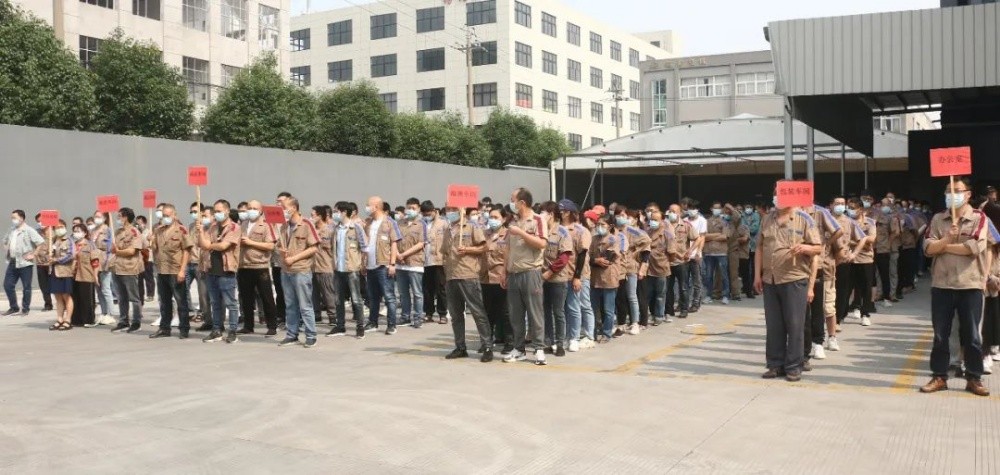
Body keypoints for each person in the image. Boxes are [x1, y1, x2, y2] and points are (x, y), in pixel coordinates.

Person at [920, 177, 993, 397]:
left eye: (957, 190)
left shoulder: (979, 218)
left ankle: (974, 377)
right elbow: (928, 248)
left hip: (969, 284)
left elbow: (974, 247)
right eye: (948, 191)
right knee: (940, 335)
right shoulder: (937, 218)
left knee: (972, 336)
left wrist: (943, 246)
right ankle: (939, 376)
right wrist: (947, 240)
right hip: (942, 284)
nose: (952, 195)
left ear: (968, 194)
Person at [755, 185, 823, 382]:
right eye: (775, 194)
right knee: (774, 324)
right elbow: (759, 247)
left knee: (795, 324)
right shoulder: (767, 218)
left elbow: (818, 248)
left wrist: (805, 248)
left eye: (781, 195)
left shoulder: (804, 218)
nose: (777, 198)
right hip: (770, 279)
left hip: (794, 278)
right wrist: (757, 276)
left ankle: (794, 366)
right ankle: (775, 364)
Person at [441, 206, 493, 362]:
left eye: (453, 209)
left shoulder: (471, 226)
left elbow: (484, 246)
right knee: (456, 315)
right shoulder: (448, 229)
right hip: (452, 276)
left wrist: (468, 249)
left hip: (468, 274)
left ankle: (487, 346)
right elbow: (445, 252)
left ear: (461, 210)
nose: (450, 212)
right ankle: (460, 347)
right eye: (448, 209)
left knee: (478, 312)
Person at [503, 187, 548, 365]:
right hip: (514, 273)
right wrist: (504, 271)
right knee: (516, 314)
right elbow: (507, 248)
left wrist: (521, 233)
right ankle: (519, 348)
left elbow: (542, 243)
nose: (511, 203)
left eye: (512, 199)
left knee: (535, 312)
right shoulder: (513, 221)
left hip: (531, 272)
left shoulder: (537, 220)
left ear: (522, 202)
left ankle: (539, 349)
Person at [278, 197, 320, 348]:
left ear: (294, 208)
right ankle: (292, 334)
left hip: (301, 270)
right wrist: (282, 252)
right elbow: (279, 245)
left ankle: (311, 335)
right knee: (290, 305)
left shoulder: (306, 224)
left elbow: (314, 247)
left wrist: (294, 258)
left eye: (284, 207)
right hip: (286, 270)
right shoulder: (284, 226)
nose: (282, 210)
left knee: (305, 305)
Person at [803, 204, 842, 363]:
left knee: (818, 306)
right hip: (796, 267)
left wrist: (825, 244)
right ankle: (802, 344)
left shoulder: (820, 213)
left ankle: (818, 342)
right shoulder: (790, 213)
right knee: (800, 310)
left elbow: (838, 231)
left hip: (818, 265)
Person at [198, 200, 242, 344]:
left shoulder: (234, 227)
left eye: (219, 211)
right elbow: (203, 244)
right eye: (215, 211)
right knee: (215, 302)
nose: (216, 214)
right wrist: (201, 232)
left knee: (230, 303)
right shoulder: (212, 227)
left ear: (227, 211)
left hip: (226, 270)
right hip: (211, 269)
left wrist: (210, 245)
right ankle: (217, 329)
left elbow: (224, 246)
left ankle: (233, 331)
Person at [148, 204, 193, 339]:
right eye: (164, 215)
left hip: (175, 270)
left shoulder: (181, 230)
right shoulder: (158, 230)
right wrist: (151, 241)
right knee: (164, 302)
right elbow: (155, 249)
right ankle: (164, 328)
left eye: (168, 215)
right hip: (162, 270)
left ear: (174, 215)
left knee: (181, 302)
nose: (165, 218)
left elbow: (186, 251)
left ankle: (184, 328)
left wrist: (182, 270)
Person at [237, 200, 279, 337]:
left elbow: (270, 245)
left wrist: (250, 242)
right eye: (249, 208)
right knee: (246, 298)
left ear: (261, 211)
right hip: (244, 265)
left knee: (266, 297)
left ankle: (272, 325)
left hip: (260, 266)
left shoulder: (266, 225)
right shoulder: (243, 224)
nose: (251, 211)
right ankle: (248, 325)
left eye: (255, 208)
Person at [363, 196, 402, 334]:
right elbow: (365, 244)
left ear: (376, 207)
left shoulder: (389, 222)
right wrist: (363, 263)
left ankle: (391, 324)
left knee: (389, 296)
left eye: (368, 205)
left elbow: (394, 243)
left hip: (383, 265)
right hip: (370, 265)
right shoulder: (368, 223)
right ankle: (373, 322)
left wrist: (392, 263)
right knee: (373, 297)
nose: (366, 208)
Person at [539, 201, 573, 356]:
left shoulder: (562, 232)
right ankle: (549, 342)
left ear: (551, 214)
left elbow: (564, 258)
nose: (540, 216)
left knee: (558, 312)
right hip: (541, 277)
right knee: (545, 311)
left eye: (543, 213)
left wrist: (549, 272)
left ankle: (560, 344)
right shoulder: (541, 231)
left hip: (557, 279)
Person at [328, 202, 367, 339]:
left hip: (352, 269)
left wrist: (362, 264)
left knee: (356, 299)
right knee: (338, 300)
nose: (334, 214)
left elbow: (364, 247)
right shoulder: (336, 228)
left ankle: (360, 327)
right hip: (338, 269)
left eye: (336, 211)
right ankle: (340, 326)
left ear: (344, 212)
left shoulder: (356, 228)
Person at [482, 205, 514, 355]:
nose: (493, 220)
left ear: (504, 219)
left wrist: (506, 274)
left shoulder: (508, 234)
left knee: (506, 312)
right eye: (491, 217)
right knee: (487, 313)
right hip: (485, 278)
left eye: (496, 217)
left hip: (502, 277)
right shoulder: (484, 233)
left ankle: (509, 342)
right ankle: (487, 342)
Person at [562, 200, 594, 351]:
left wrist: (577, 276)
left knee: (582, 305)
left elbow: (582, 254)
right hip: (562, 274)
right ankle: (569, 335)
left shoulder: (581, 231)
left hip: (579, 274)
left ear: (568, 212)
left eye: (562, 211)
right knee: (568, 307)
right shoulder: (558, 229)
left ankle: (586, 336)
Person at [110, 207, 147, 333]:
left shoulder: (134, 232)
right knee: (121, 297)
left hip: (129, 268)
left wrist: (117, 251)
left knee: (134, 297)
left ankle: (136, 322)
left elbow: (132, 251)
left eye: (119, 216)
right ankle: (123, 321)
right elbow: (113, 248)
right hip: (117, 267)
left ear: (126, 217)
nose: (118, 219)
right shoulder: (117, 232)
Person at [3, 210, 45, 316]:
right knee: (7, 285)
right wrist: (7, 248)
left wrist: (34, 254)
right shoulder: (12, 230)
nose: (13, 220)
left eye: (15, 218)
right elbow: (5, 240)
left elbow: (40, 242)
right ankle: (14, 307)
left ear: (21, 218)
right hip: (13, 262)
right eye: (12, 218)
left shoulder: (29, 230)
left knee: (26, 287)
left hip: (25, 263)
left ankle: (25, 308)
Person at [590, 215, 622, 343]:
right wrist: (595, 260)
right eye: (598, 224)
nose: (599, 227)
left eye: (602, 225)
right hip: (595, 278)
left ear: (610, 226)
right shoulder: (594, 239)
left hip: (609, 277)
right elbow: (589, 257)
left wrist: (596, 260)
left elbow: (608, 259)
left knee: (608, 309)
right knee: (592, 308)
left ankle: (607, 333)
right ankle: (591, 333)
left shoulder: (614, 239)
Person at [396, 198, 426, 328]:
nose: (410, 210)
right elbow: (394, 240)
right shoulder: (399, 223)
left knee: (417, 293)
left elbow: (421, 243)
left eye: (413, 208)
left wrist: (404, 254)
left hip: (415, 263)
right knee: (403, 293)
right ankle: (405, 316)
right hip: (400, 263)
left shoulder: (421, 224)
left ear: (418, 209)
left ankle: (418, 317)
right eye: (408, 208)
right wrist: (398, 254)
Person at [666, 204, 698, 319]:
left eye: (674, 211)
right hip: (668, 261)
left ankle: (684, 309)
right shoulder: (664, 225)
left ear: (679, 213)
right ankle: (669, 310)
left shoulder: (686, 225)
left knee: (683, 287)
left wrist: (690, 250)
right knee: (668, 288)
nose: (671, 213)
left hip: (681, 262)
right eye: (670, 211)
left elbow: (697, 238)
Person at [849, 199, 877, 327]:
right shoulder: (848, 222)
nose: (850, 210)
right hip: (850, 258)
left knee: (866, 287)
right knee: (851, 286)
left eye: (853, 207)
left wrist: (855, 241)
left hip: (866, 259)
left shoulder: (870, 222)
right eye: (849, 207)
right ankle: (854, 307)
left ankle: (865, 314)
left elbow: (872, 239)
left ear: (860, 209)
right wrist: (862, 241)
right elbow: (845, 239)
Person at [421, 200, 449, 324]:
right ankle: (428, 313)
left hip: (439, 261)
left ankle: (443, 314)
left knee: (441, 288)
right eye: (424, 214)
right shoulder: (421, 223)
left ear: (434, 211)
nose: (426, 216)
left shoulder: (443, 223)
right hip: (424, 261)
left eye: (428, 214)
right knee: (427, 289)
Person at [645, 210, 674, 325]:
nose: (653, 222)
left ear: (662, 220)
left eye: (655, 220)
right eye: (651, 219)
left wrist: (665, 262)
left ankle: (659, 316)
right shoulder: (647, 232)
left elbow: (672, 252)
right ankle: (651, 314)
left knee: (660, 295)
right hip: (648, 268)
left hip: (661, 268)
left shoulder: (667, 234)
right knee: (648, 294)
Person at [187, 203, 212, 331]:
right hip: (189, 263)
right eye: (191, 212)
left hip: (201, 263)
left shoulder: (208, 227)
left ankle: (208, 317)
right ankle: (190, 312)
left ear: (202, 213)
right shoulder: (191, 226)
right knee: (182, 288)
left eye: (196, 211)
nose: (193, 214)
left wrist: (201, 230)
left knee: (204, 294)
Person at [310, 205, 337, 326]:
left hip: (326, 266)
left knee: (328, 293)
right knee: (313, 293)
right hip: (312, 266)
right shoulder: (311, 231)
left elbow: (335, 249)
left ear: (320, 216)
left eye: (313, 215)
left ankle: (333, 316)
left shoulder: (330, 231)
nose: (311, 217)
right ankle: (317, 315)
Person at [702, 202, 733, 305]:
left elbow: (725, 236)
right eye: (715, 208)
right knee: (708, 275)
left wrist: (710, 236)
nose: (717, 210)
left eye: (719, 208)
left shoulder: (725, 221)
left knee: (724, 275)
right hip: (709, 252)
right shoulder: (707, 222)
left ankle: (725, 295)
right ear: (711, 209)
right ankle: (709, 295)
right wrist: (717, 234)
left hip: (721, 252)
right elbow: (704, 236)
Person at [47, 219, 76, 331]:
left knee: (66, 296)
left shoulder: (69, 241)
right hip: (54, 272)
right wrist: (49, 257)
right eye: (57, 227)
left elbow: (71, 255)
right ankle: (59, 319)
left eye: (61, 227)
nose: (59, 229)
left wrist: (56, 260)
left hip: (64, 272)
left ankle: (68, 320)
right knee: (58, 297)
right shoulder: (53, 240)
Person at [71, 224, 99, 327]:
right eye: (75, 231)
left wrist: (95, 275)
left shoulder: (90, 245)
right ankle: (76, 320)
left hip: (86, 274)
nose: (76, 233)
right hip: (73, 274)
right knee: (75, 297)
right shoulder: (72, 245)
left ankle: (88, 319)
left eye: (78, 231)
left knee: (86, 298)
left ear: (85, 233)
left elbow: (95, 261)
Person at [873, 198, 901, 305]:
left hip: (890, 249)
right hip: (878, 248)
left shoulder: (893, 218)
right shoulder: (877, 217)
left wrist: (888, 243)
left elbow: (896, 232)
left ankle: (891, 294)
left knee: (891, 272)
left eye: (887, 205)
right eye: (882, 204)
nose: (884, 207)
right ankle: (879, 293)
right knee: (878, 273)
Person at [271, 192, 292, 327]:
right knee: (279, 291)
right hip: (277, 262)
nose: (278, 203)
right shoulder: (273, 218)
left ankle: (294, 318)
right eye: (277, 201)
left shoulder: (292, 218)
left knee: (291, 292)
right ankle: (281, 316)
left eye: (281, 201)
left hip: (291, 263)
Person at [33, 213, 54, 312]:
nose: (40, 223)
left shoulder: (54, 232)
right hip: (41, 263)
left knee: (57, 284)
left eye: (42, 221)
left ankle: (62, 303)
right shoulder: (36, 233)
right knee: (44, 285)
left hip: (53, 263)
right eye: (38, 221)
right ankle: (48, 304)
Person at [135, 215, 155, 303]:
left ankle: (150, 294)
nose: (139, 224)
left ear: (144, 223)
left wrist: (150, 239)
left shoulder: (149, 232)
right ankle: (140, 295)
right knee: (139, 278)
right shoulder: (136, 232)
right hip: (139, 259)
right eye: (137, 222)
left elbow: (150, 245)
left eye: (140, 222)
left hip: (147, 258)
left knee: (148, 277)